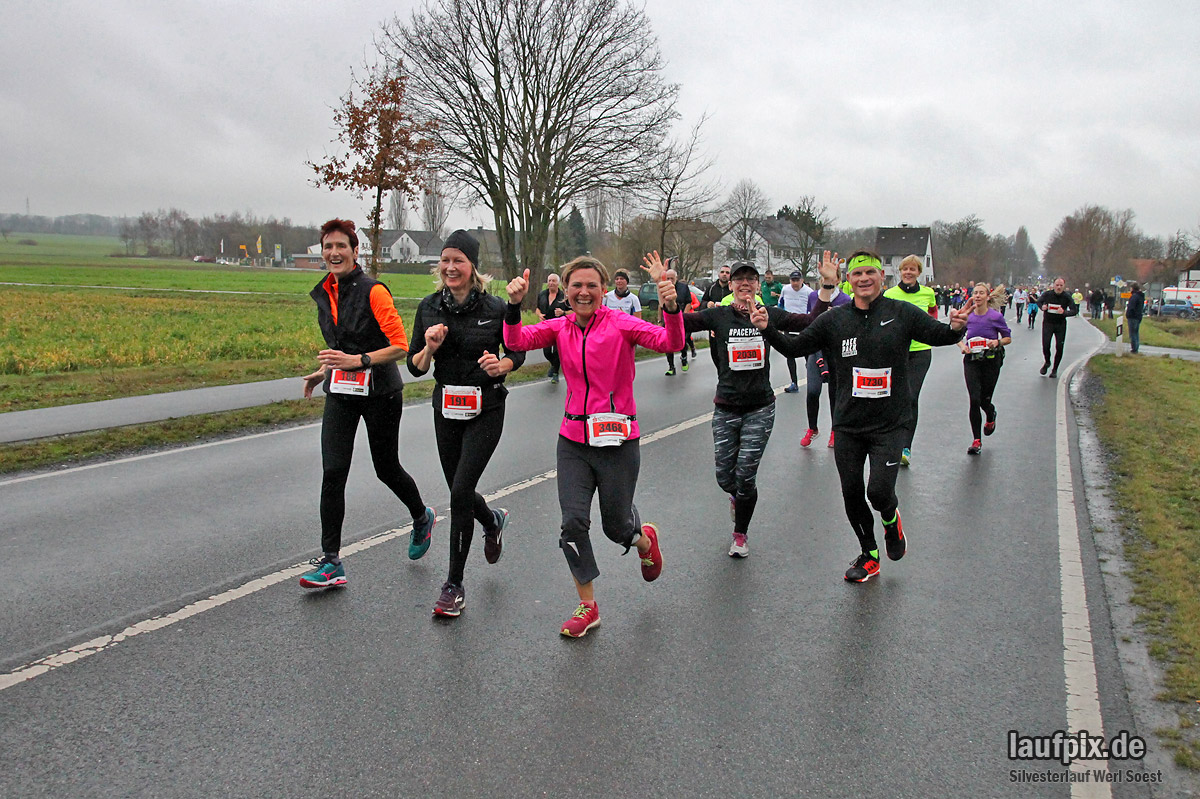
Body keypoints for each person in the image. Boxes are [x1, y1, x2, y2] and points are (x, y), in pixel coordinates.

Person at [750, 250, 968, 582]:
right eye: (857, 274)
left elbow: (939, 335)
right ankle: (869, 554)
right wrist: (767, 329)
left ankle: (891, 521)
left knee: (878, 492)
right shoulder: (835, 320)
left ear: (882, 277)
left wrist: (955, 329)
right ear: (849, 281)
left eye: (870, 272)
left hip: (890, 423)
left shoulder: (901, 313)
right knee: (851, 493)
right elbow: (796, 348)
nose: (864, 278)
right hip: (849, 424)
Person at [503, 253, 683, 637]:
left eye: (591, 286)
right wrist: (514, 305)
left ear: (604, 290)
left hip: (617, 440)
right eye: (576, 286)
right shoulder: (561, 326)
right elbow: (516, 340)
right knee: (572, 523)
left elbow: (672, 341)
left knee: (616, 528)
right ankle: (588, 605)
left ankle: (643, 539)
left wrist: (670, 307)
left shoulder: (621, 323)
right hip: (573, 441)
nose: (583, 292)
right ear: (566, 290)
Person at [298, 218, 435, 590]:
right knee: (333, 471)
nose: (334, 253)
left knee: (386, 468)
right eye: (328, 247)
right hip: (341, 390)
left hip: (380, 392)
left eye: (341, 246)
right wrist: (323, 371)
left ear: (355, 251)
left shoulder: (373, 291)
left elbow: (400, 346)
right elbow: (342, 344)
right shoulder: (325, 291)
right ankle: (331, 561)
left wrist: (358, 361)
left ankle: (421, 516)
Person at [684, 257, 838, 558]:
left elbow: (812, 322)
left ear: (757, 285)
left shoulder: (770, 315)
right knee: (725, 478)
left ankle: (740, 534)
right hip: (726, 407)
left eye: (750, 279)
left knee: (745, 475)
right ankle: (738, 498)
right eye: (739, 279)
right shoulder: (719, 316)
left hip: (760, 408)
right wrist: (669, 302)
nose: (745, 283)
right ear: (731, 285)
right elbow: (679, 324)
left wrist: (827, 286)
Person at [407, 230, 525, 618]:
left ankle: (453, 585)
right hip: (446, 408)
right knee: (459, 490)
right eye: (445, 260)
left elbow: (517, 352)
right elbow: (415, 367)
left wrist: (501, 365)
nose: (450, 267)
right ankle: (492, 520)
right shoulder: (428, 307)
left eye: (458, 260)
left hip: (486, 407)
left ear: (473, 267)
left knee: (459, 491)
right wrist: (429, 348)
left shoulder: (494, 307)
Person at [882, 254, 939, 467]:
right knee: (892, 398)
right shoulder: (890, 294)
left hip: (920, 352)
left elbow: (933, 316)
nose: (908, 272)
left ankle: (906, 447)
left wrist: (930, 332)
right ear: (900, 272)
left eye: (912, 269)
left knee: (911, 396)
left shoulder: (928, 293)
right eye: (905, 269)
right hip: (895, 352)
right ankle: (890, 440)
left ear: (918, 273)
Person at [958, 283, 1012, 455]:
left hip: (991, 361)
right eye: (975, 293)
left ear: (988, 297)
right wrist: (963, 347)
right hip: (971, 361)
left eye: (981, 293)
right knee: (974, 399)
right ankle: (976, 440)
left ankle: (990, 413)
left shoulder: (995, 316)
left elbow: (1007, 338)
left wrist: (997, 342)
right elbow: (956, 335)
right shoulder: (968, 316)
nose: (978, 296)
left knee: (984, 400)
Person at [800, 275, 851, 449]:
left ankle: (835, 430)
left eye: (830, 278)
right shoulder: (813, 296)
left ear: (838, 280)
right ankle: (812, 428)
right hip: (816, 349)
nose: (825, 280)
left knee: (834, 393)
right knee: (813, 391)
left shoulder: (845, 299)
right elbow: (809, 321)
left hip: (836, 352)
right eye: (823, 277)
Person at [777, 269, 812, 392]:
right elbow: (780, 305)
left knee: (808, 355)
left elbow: (813, 309)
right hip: (789, 324)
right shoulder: (785, 289)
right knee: (789, 354)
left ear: (802, 280)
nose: (795, 283)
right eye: (793, 280)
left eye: (797, 280)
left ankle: (811, 381)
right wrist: (780, 322)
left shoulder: (809, 292)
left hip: (804, 325)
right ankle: (794, 382)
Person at [1037, 277, 1079, 378]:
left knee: (1059, 347)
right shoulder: (1047, 294)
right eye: (1057, 285)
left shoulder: (1067, 296)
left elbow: (1074, 310)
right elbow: (1039, 302)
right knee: (1046, 345)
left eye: (1061, 285)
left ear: (1064, 286)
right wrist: (1042, 307)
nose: (1059, 287)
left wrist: (1065, 312)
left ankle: (1055, 369)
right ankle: (1047, 362)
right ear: (1053, 285)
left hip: (1060, 324)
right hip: (1048, 323)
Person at [536, 272, 570, 383]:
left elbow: (573, 312)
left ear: (558, 283)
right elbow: (537, 309)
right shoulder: (542, 294)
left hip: (560, 328)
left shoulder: (564, 296)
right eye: (549, 281)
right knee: (546, 352)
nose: (551, 283)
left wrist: (563, 312)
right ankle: (554, 365)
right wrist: (539, 314)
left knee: (556, 352)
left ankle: (555, 373)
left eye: (553, 281)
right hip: (545, 327)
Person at [664, 266, 694, 376]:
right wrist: (659, 320)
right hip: (668, 319)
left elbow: (689, 302)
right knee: (668, 342)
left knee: (683, 340)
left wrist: (683, 316)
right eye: (667, 278)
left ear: (676, 278)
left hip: (681, 318)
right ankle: (671, 367)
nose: (669, 281)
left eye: (672, 278)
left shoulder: (683, 287)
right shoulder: (664, 288)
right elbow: (660, 305)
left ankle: (684, 358)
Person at [1126, 281, 1145, 354]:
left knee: (1132, 334)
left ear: (1133, 288)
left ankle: (1134, 349)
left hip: (1133, 317)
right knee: (1136, 333)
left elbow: (1131, 307)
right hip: (1138, 317)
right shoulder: (1141, 296)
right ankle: (1136, 347)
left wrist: (1128, 314)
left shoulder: (1134, 296)